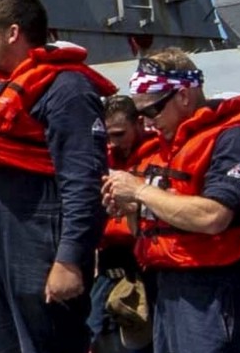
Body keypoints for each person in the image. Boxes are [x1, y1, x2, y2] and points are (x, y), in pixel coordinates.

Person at [101, 50, 240, 353]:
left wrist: (140, 191)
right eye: (141, 116)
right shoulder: (168, 148)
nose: (149, 123)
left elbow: (213, 216)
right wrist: (132, 209)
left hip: (219, 294)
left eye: (152, 111)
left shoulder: (234, 140)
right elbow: (146, 229)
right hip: (171, 290)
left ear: (183, 96)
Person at [0, 0, 111, 353]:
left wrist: (69, 259)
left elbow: (84, 181)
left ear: (12, 32)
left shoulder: (66, 88)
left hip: (38, 242)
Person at [91, 95, 161, 352]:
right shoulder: (103, 159)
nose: (112, 143)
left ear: (139, 123)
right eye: (107, 136)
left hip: (146, 269)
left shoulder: (160, 158)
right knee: (96, 336)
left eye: (119, 134)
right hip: (107, 270)